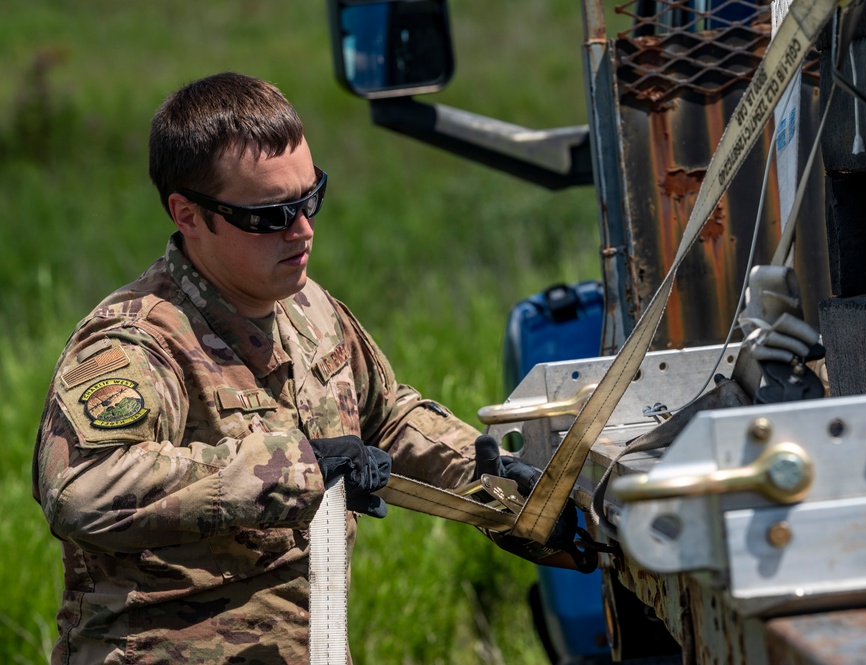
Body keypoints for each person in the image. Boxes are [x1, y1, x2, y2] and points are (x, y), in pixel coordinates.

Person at [32, 71, 568, 665]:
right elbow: (81, 489)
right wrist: (296, 469)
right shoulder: (135, 345)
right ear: (187, 214)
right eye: (269, 215)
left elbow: (384, 419)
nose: (303, 229)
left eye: (311, 198)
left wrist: (496, 485)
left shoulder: (308, 307)